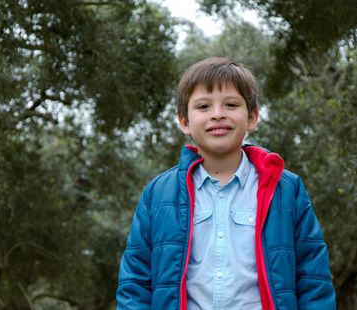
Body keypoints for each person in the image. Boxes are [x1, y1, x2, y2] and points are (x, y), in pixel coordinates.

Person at [116, 57, 336, 309]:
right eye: (203, 106)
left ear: (252, 117)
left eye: (231, 104)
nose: (218, 114)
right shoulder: (157, 195)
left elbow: (313, 279)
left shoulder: (286, 190)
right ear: (184, 121)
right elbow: (135, 283)